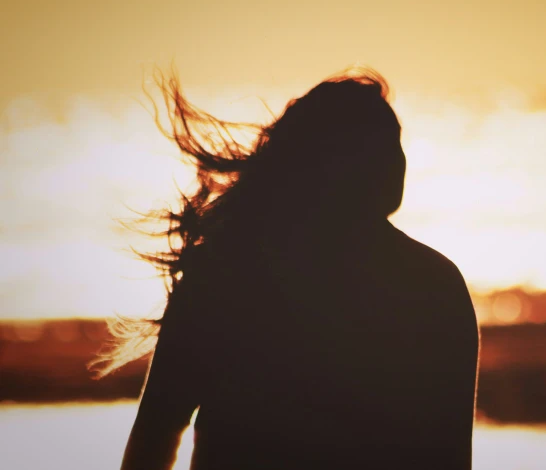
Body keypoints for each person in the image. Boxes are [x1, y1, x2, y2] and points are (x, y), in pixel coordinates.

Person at [99, 68, 479, 469]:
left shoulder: (225, 272)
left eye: (395, 143)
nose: (398, 159)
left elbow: (154, 437)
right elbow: (450, 455)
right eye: (383, 145)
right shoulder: (434, 285)